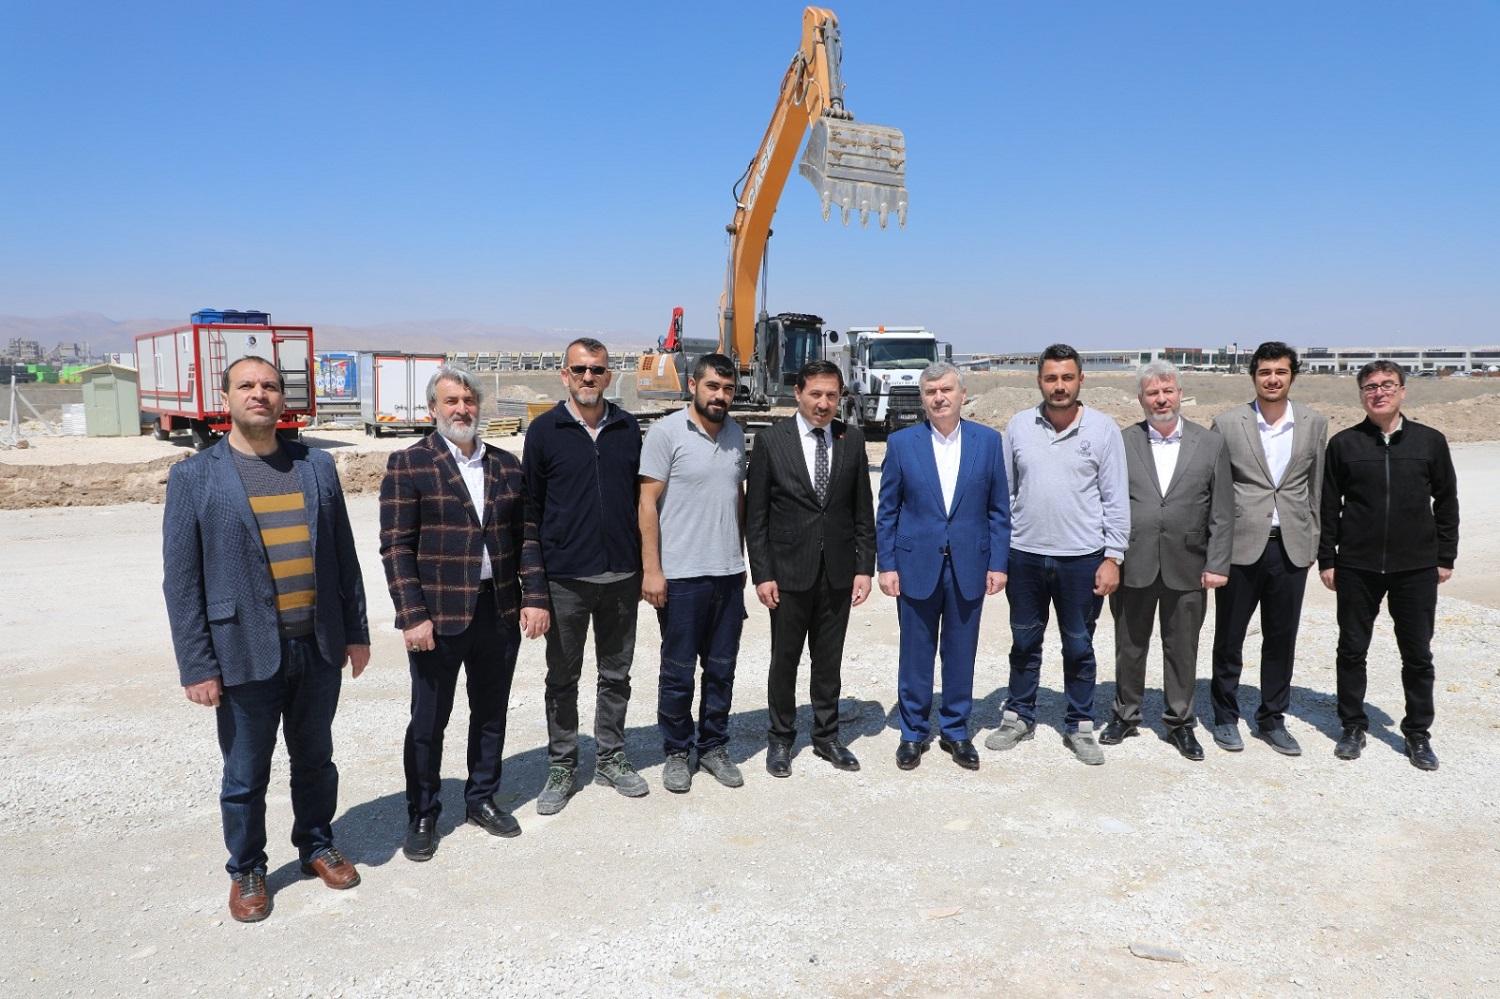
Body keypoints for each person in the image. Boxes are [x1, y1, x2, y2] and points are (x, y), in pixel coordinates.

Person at [163, 355, 370, 923]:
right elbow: (181, 580)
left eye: (270, 385)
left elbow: (343, 557)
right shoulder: (194, 477)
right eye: (247, 385)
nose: (260, 393)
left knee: (316, 759)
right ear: (226, 398)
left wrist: (356, 632)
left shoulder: (316, 466)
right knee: (245, 772)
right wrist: (196, 664)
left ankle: (316, 844)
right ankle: (247, 867)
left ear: (283, 399)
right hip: (242, 650)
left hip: (317, 646)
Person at [380, 365, 549, 862]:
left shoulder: (506, 465)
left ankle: (481, 799)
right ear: (433, 408)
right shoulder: (410, 463)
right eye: (451, 401)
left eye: (469, 400)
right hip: (437, 615)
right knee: (429, 720)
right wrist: (412, 615)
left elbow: (527, 537)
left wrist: (535, 597)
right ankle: (423, 812)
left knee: (491, 712)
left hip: (498, 610)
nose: (461, 409)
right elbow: (396, 546)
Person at [522, 338, 648, 814]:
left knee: (616, 674)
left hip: (621, 577)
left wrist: (646, 566)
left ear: (609, 375)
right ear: (565, 375)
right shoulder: (544, 431)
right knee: (562, 677)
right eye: (580, 369)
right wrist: (533, 588)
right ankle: (562, 764)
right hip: (565, 580)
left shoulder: (627, 428)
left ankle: (611, 756)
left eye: (597, 369)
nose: (588, 377)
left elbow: (643, 502)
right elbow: (530, 511)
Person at [988, 343, 1129, 766]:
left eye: (1067, 377)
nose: (1060, 386)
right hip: (1025, 556)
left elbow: (1115, 498)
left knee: (1079, 644)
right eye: (1051, 378)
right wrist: (1001, 553)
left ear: (1081, 379)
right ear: (1040, 381)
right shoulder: (1019, 426)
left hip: (1082, 558)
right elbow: (1005, 494)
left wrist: (1113, 557)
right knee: (1024, 640)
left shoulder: (1103, 430)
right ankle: (1018, 716)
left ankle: (1080, 723)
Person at [1319, 360, 1458, 771]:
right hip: (1357, 566)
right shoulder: (1344, 444)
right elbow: (1329, 506)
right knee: (1351, 650)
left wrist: (1445, 556)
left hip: (1415, 567)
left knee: (1417, 654)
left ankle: (1417, 733)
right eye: (1370, 387)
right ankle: (1352, 726)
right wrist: (1328, 558)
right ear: (1361, 394)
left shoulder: (1430, 442)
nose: (1378, 392)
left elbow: (1446, 502)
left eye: (1387, 385)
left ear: (1402, 391)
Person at [877, 362, 1010, 771]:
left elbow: (998, 509)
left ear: (962, 394)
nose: (939, 397)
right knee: (915, 653)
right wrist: (887, 565)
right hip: (916, 564)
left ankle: (955, 730)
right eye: (931, 391)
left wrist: (998, 563)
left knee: (961, 651)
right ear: (922, 398)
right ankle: (913, 732)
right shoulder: (902, 444)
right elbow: (888, 510)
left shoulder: (988, 442)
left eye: (946, 390)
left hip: (969, 563)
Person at [746, 359, 876, 776]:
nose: (823, 403)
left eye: (831, 396)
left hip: (837, 572)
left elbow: (862, 510)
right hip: (788, 573)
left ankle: (827, 736)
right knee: (784, 660)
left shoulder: (852, 439)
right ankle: (780, 739)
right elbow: (756, 517)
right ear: (798, 393)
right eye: (816, 394)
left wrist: (864, 568)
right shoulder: (771, 441)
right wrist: (763, 574)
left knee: (828, 661)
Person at [1103, 361, 1233, 761]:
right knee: (1130, 645)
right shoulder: (1122, 442)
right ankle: (1125, 713)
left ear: (1180, 394)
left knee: (1182, 648)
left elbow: (1222, 511)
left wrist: (1218, 563)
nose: (1161, 399)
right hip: (1134, 562)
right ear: (1140, 399)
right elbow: (1107, 501)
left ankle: (1179, 722)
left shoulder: (1209, 443)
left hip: (1188, 564)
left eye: (1167, 391)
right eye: (1152, 393)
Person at [1208, 342, 1327, 756]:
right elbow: (1214, 492)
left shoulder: (1313, 423)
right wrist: (1213, 551)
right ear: (1253, 376)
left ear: (1292, 375)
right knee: (1229, 637)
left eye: (1280, 371)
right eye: (1264, 372)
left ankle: (1272, 719)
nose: (1272, 379)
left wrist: (1313, 543)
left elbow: (1317, 488)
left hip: (1290, 548)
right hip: (1240, 548)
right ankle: (1225, 716)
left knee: (1281, 638)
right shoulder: (1227, 423)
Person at [639, 353, 748, 793]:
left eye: (727, 389)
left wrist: (740, 559)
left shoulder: (736, 434)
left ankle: (714, 746)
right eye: (712, 387)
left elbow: (736, 498)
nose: (720, 396)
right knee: (679, 671)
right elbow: (647, 503)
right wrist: (652, 569)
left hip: (728, 573)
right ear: (692, 386)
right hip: (681, 576)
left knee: (722, 668)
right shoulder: (666, 433)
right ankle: (677, 751)